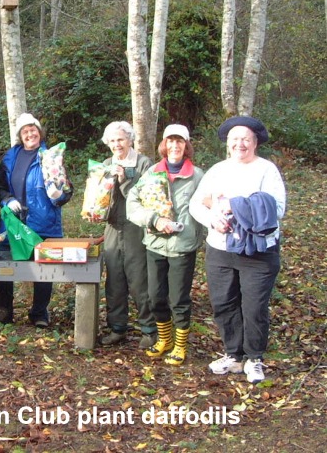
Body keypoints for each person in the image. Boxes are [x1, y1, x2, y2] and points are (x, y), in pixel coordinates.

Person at [189, 116, 285, 384]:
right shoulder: (217, 170)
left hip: (258, 251)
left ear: (255, 142)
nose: (239, 144)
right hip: (220, 248)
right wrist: (212, 219)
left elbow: (277, 209)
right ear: (227, 144)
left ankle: (254, 358)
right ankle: (234, 355)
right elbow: (197, 204)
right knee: (224, 303)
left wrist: (234, 205)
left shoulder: (267, 170)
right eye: (234, 139)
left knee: (254, 306)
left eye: (245, 139)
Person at [126, 124, 204, 366]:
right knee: (155, 297)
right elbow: (133, 200)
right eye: (170, 141)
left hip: (183, 246)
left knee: (178, 299)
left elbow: (209, 206)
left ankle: (180, 346)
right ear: (163, 145)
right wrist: (154, 220)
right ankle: (164, 340)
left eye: (179, 141)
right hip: (155, 244)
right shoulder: (152, 173)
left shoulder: (198, 176)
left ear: (186, 145)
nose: (174, 146)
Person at [0, 113, 72, 327]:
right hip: (13, 223)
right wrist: (7, 199)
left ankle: (39, 313)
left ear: (39, 132)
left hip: (42, 222)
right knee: (5, 266)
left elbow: (65, 190)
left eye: (33, 130)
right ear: (20, 135)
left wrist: (61, 192)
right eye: (25, 131)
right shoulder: (10, 158)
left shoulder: (51, 157)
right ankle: (3, 310)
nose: (29, 134)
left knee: (44, 270)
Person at [98, 121, 156, 348]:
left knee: (139, 280)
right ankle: (117, 328)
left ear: (130, 140)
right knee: (114, 280)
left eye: (120, 139)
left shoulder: (143, 163)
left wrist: (123, 180)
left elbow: (147, 197)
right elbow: (98, 199)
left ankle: (149, 330)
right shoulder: (105, 164)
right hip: (112, 227)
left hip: (136, 227)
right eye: (112, 140)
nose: (116, 144)